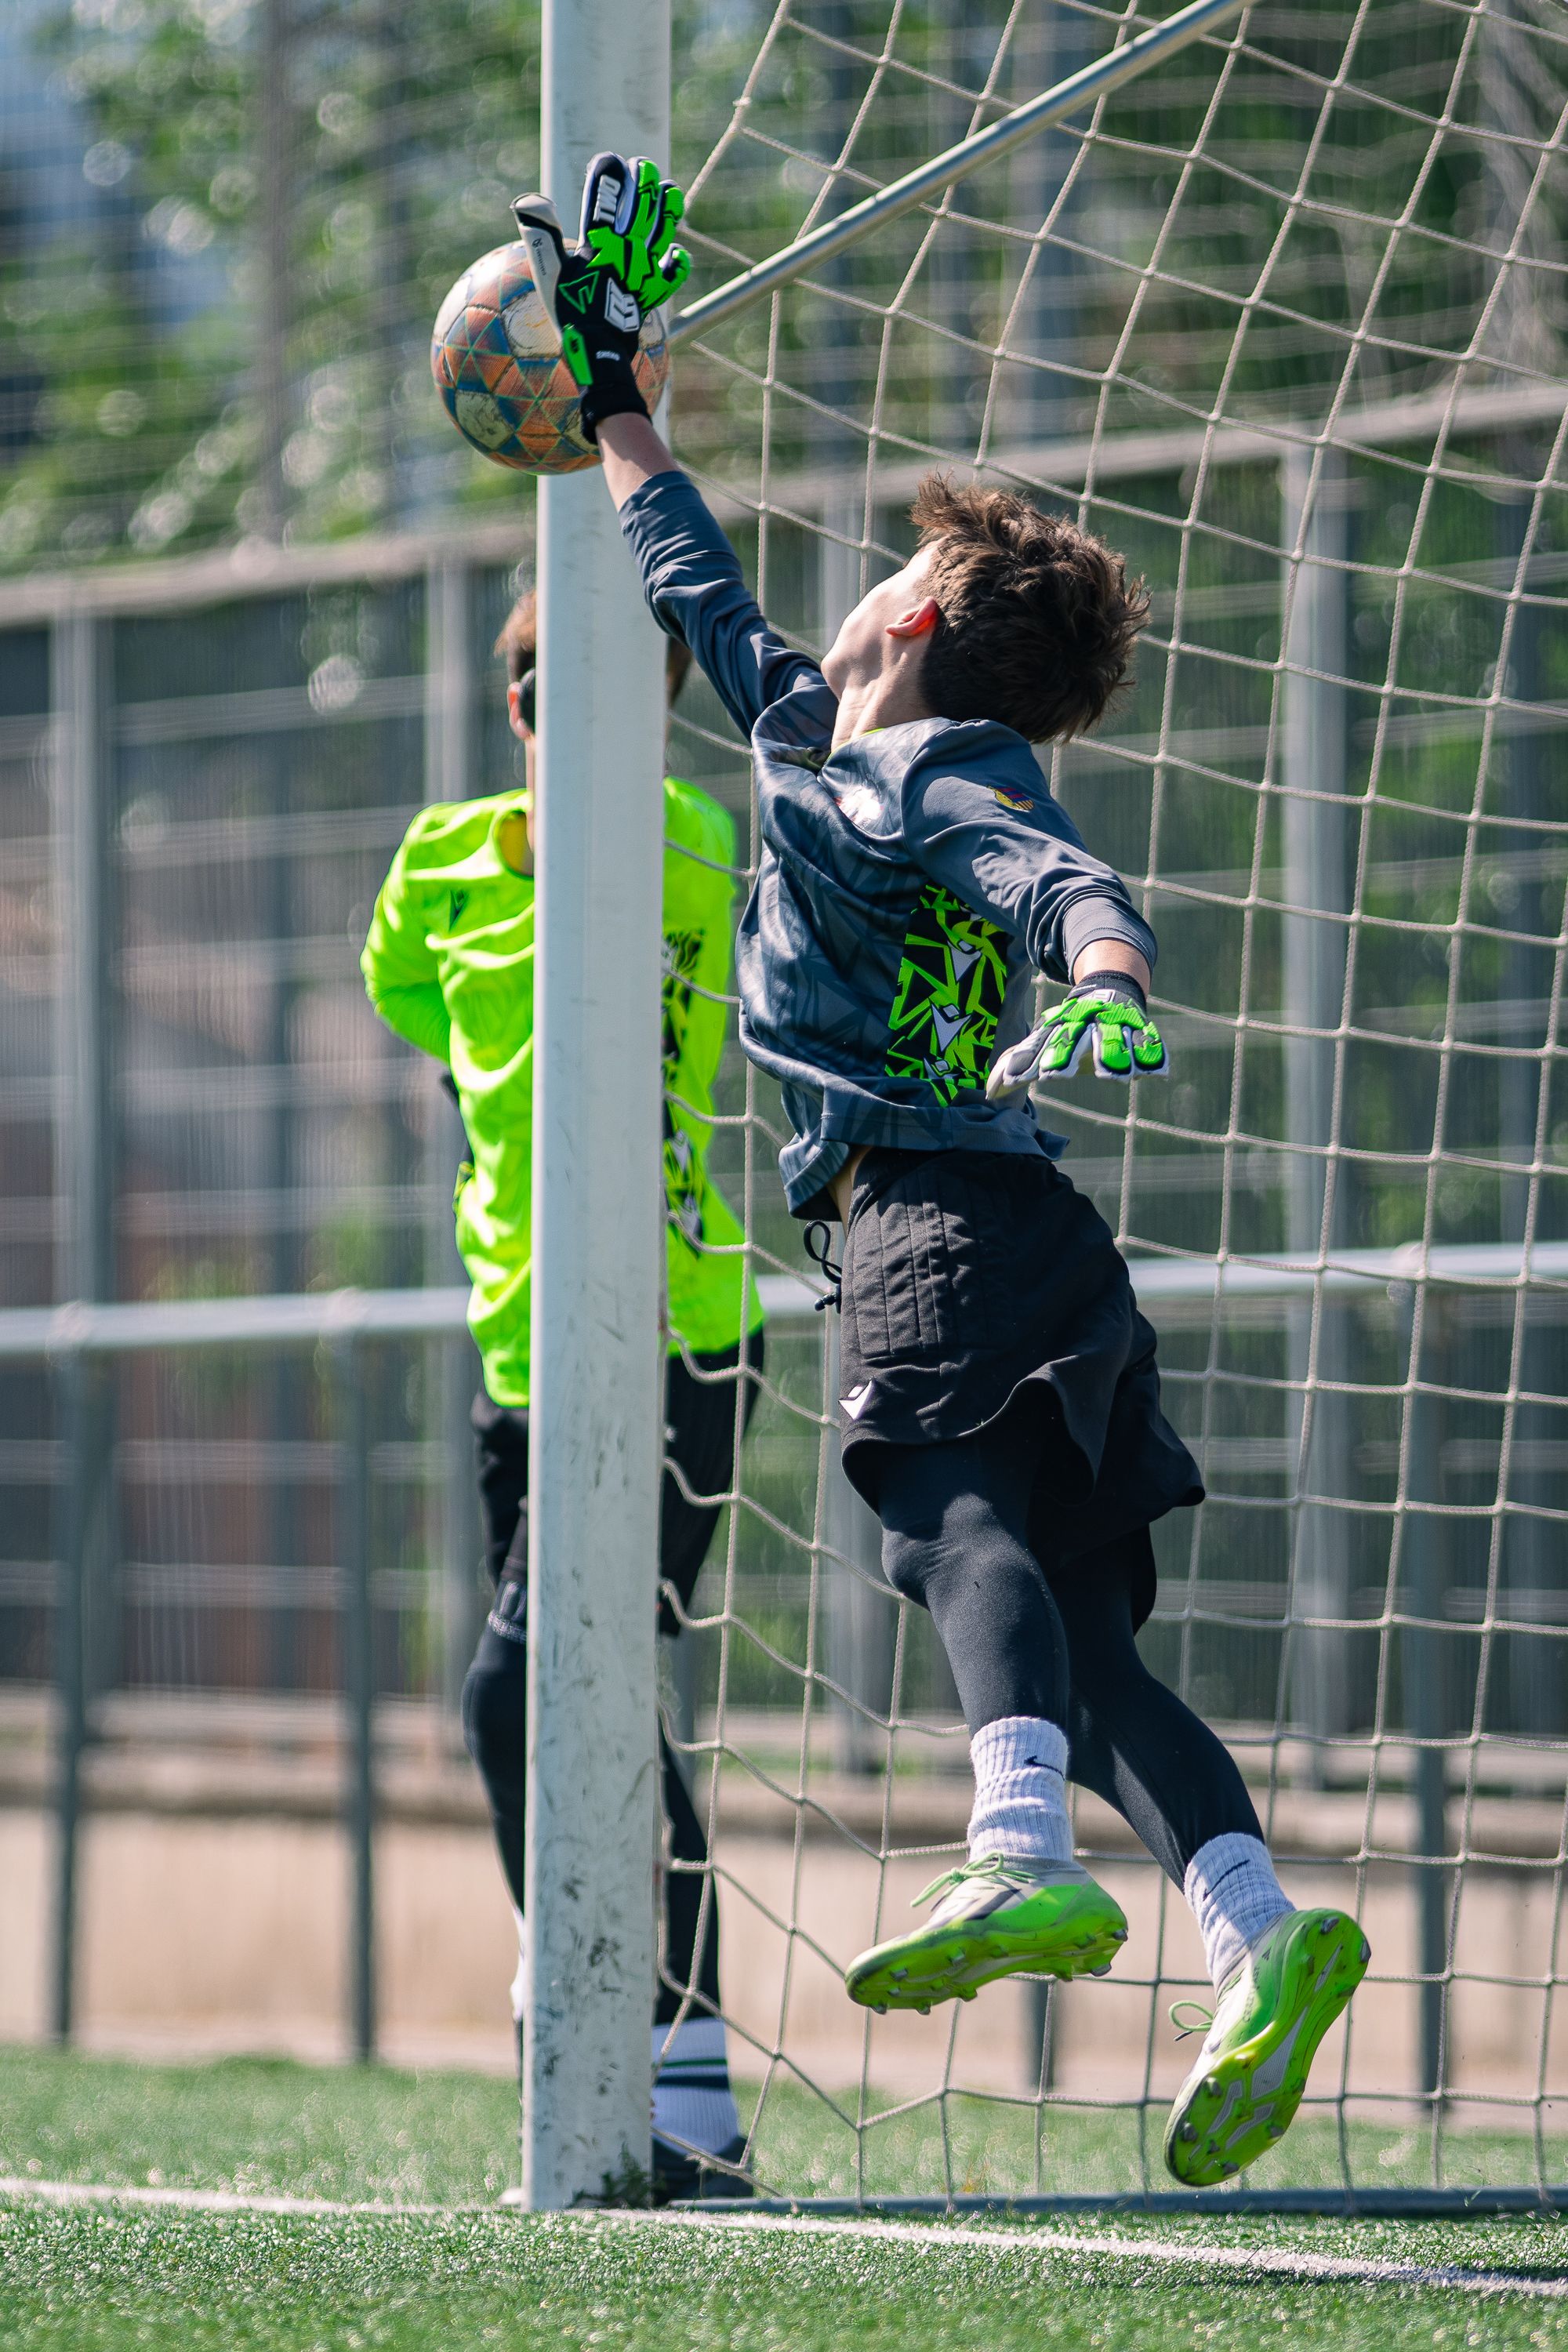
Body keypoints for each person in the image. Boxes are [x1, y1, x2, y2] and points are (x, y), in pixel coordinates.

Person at [512, 151, 1370, 2190]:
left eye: (871, 578)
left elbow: (1058, 872)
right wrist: (616, 383)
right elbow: (692, 583)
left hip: (923, 1217)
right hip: (1039, 1233)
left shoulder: (944, 768)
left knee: (939, 1517)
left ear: (906, 612)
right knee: (1087, 1619)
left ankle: (1014, 1852)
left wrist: (1110, 968)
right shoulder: (822, 733)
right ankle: (1260, 1929)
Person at [361, 586, 764, 2201]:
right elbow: (410, 998)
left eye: (606, 680)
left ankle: (628, 2032)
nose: (562, 708)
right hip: (520, 1358)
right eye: (537, 683)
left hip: (678, 1339)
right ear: (513, 702)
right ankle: (678, 2087)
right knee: (591, 1709)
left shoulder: (686, 840)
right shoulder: (436, 866)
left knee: (516, 1694)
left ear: (654, 698)